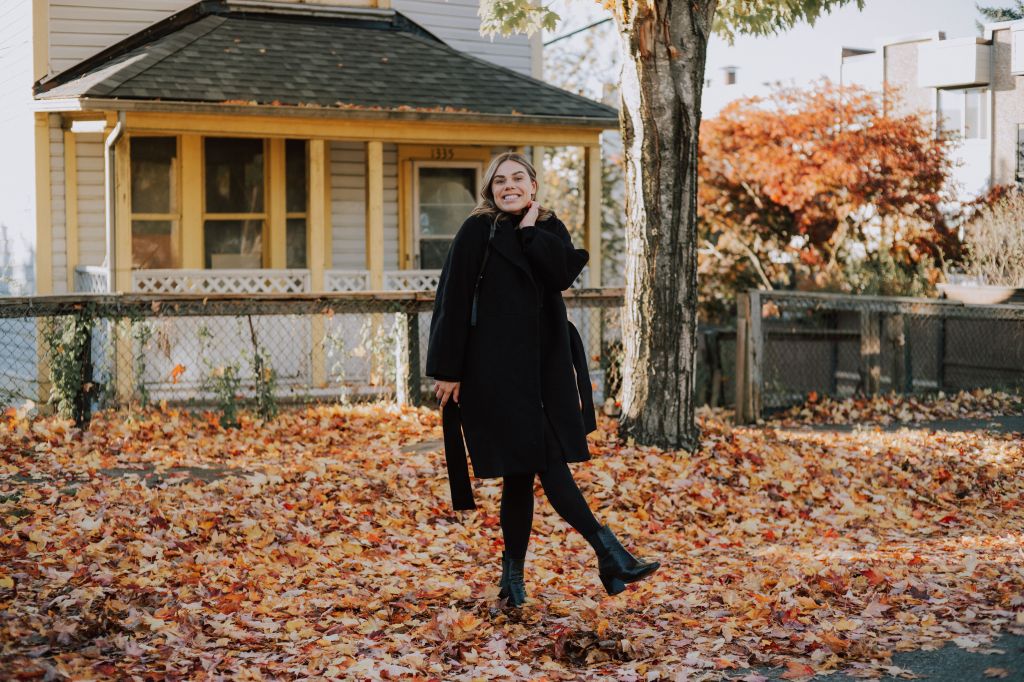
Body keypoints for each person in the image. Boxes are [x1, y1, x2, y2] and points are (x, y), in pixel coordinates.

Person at [425, 151, 659, 606]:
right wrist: (448, 370)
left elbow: (561, 275)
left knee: (521, 475)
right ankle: (608, 553)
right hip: (494, 372)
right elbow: (450, 297)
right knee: (545, 463)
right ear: (490, 191)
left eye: (517, 179)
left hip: (544, 370)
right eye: (499, 181)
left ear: (533, 186)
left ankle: (513, 584)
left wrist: (531, 231)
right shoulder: (478, 229)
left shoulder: (549, 228)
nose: (508, 186)